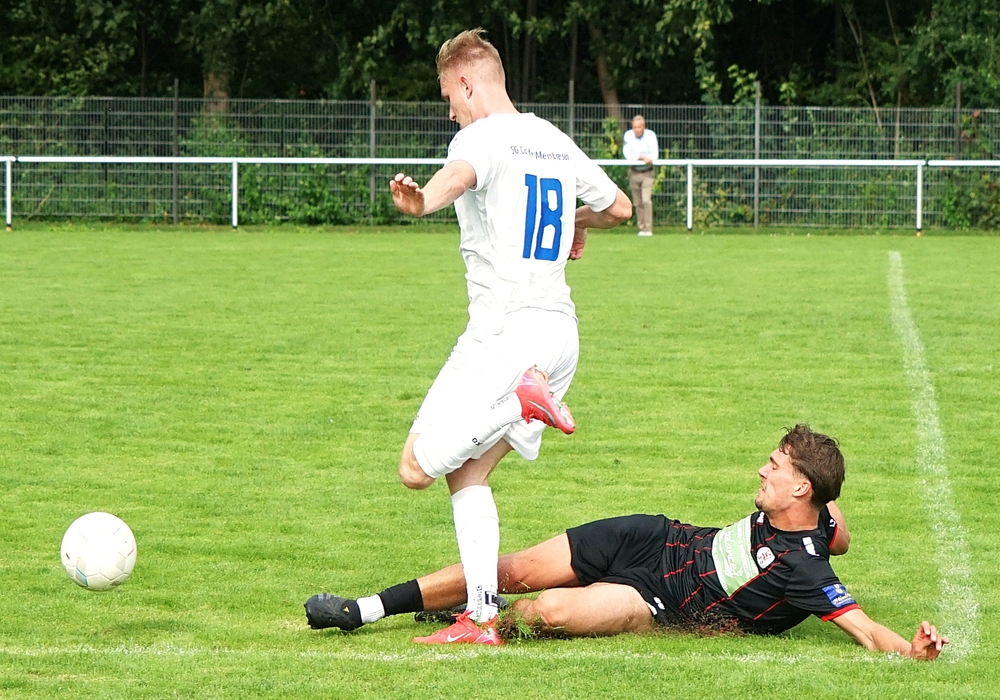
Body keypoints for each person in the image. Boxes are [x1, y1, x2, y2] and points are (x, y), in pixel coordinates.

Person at [339, 28, 632, 645]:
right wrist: (576, 222)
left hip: (506, 335)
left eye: (449, 95)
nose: (450, 110)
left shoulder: (479, 136)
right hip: (559, 335)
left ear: (467, 83)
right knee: (467, 474)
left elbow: (459, 175)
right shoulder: (551, 138)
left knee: (415, 467)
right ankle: (481, 617)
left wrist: (423, 201)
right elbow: (620, 209)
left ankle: (517, 404)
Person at [304, 425, 948, 660]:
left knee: (548, 613)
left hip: (659, 603)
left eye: (775, 467)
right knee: (513, 567)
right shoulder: (820, 518)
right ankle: (365, 609)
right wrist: (827, 508)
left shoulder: (804, 571)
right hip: (653, 537)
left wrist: (912, 651)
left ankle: (474, 614)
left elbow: (867, 631)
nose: (761, 470)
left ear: (800, 488)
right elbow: (836, 525)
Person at [622, 115, 658, 237]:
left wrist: (644, 158)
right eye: (634, 127)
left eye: (638, 127)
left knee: (646, 200)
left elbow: (654, 155)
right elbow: (627, 155)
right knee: (637, 202)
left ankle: (648, 228)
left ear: (643, 127)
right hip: (634, 172)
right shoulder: (628, 135)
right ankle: (641, 228)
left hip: (647, 172)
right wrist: (641, 157)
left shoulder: (650, 135)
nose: (636, 130)